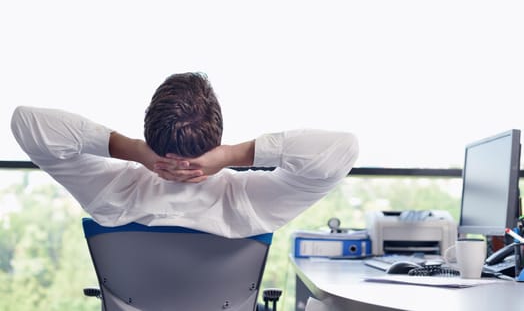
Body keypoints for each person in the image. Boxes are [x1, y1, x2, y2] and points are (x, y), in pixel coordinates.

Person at [10, 72, 359, 238]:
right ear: (217, 136)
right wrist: (232, 155)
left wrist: (133, 150)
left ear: (150, 131)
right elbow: (343, 149)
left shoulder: (113, 194)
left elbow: (26, 122)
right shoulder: (249, 204)